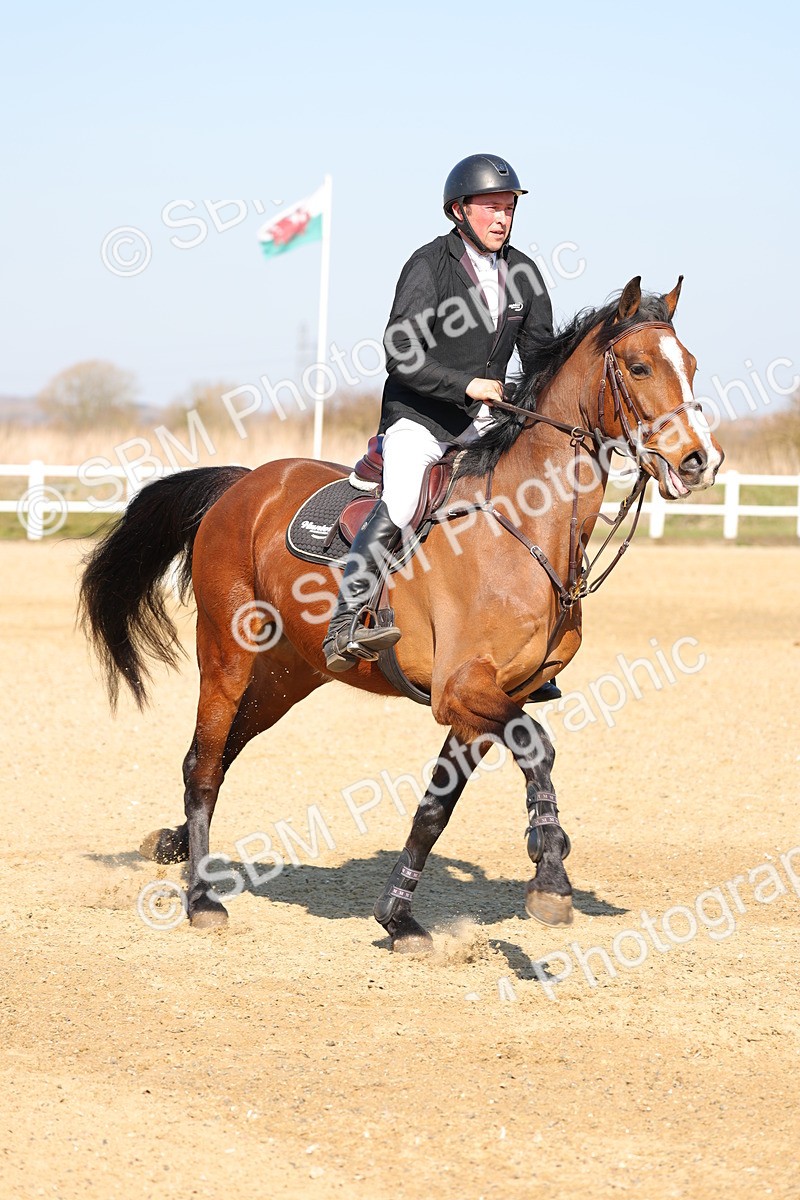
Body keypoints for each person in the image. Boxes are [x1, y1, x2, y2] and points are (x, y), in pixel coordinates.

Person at [322, 153, 554, 673]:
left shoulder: (524, 273)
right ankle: (346, 620)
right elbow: (400, 353)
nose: (502, 218)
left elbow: (540, 360)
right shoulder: (429, 264)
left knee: (528, 498)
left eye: (509, 209)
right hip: (421, 417)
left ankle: (518, 646)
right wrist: (465, 384)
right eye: (491, 207)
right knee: (403, 500)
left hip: (486, 422)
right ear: (458, 211)